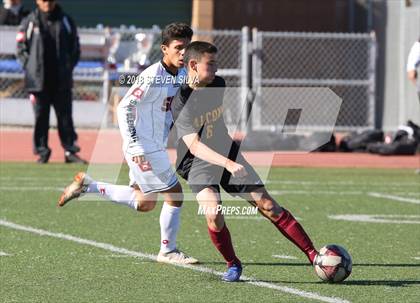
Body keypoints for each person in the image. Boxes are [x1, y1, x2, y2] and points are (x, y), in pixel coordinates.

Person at [171, 41, 318, 282]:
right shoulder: (181, 101)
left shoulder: (217, 84)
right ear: (193, 65)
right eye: (211, 64)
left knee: (269, 206)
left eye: (217, 63)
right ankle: (233, 264)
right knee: (213, 213)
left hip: (226, 151)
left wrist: (228, 158)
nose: (217, 69)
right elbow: (195, 146)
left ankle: (314, 256)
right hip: (196, 161)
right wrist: (227, 165)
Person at [58, 23, 198, 265]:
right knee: (175, 196)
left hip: (154, 144)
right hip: (143, 147)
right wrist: (135, 145)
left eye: (187, 47)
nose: (184, 52)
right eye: (178, 47)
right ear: (164, 49)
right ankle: (168, 251)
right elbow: (124, 107)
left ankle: (89, 187)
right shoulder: (153, 75)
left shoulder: (182, 75)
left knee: (144, 202)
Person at [16, 0, 86, 163]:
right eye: (43, 0)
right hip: (38, 81)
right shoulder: (29, 21)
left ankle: (70, 151)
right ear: (37, 1)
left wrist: (68, 66)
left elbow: (75, 47)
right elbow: (20, 48)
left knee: (65, 117)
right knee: (41, 117)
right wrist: (30, 66)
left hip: (61, 80)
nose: (47, 3)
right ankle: (42, 151)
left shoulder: (66, 21)